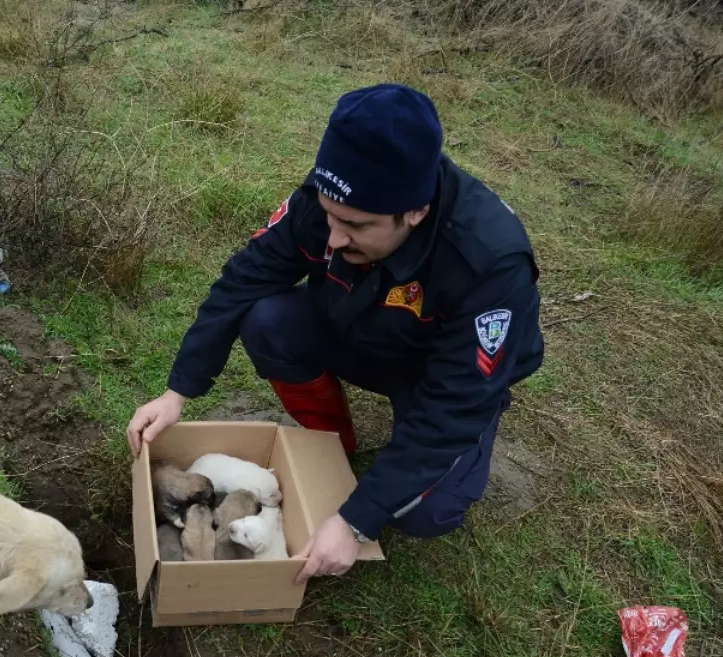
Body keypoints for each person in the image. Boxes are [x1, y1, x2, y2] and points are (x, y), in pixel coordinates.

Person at [126, 83, 543, 585]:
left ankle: (398, 475)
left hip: (439, 372)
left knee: (424, 514)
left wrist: (355, 520)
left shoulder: (489, 263)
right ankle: (331, 446)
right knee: (268, 322)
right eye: (329, 215)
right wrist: (179, 390)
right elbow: (242, 281)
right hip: (361, 328)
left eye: (355, 225)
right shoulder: (332, 201)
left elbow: (454, 406)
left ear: (414, 211)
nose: (334, 236)